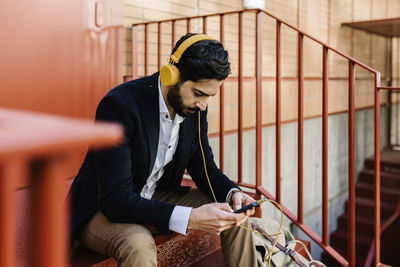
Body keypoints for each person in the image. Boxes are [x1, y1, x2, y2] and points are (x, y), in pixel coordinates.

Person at [68, 33, 258, 267]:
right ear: (172, 76)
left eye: (210, 96)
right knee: (138, 244)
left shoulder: (196, 110)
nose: (203, 104)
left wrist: (232, 193)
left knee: (234, 214)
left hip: (154, 192)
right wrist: (190, 218)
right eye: (198, 93)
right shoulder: (120, 105)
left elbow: (204, 168)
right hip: (102, 205)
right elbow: (116, 200)